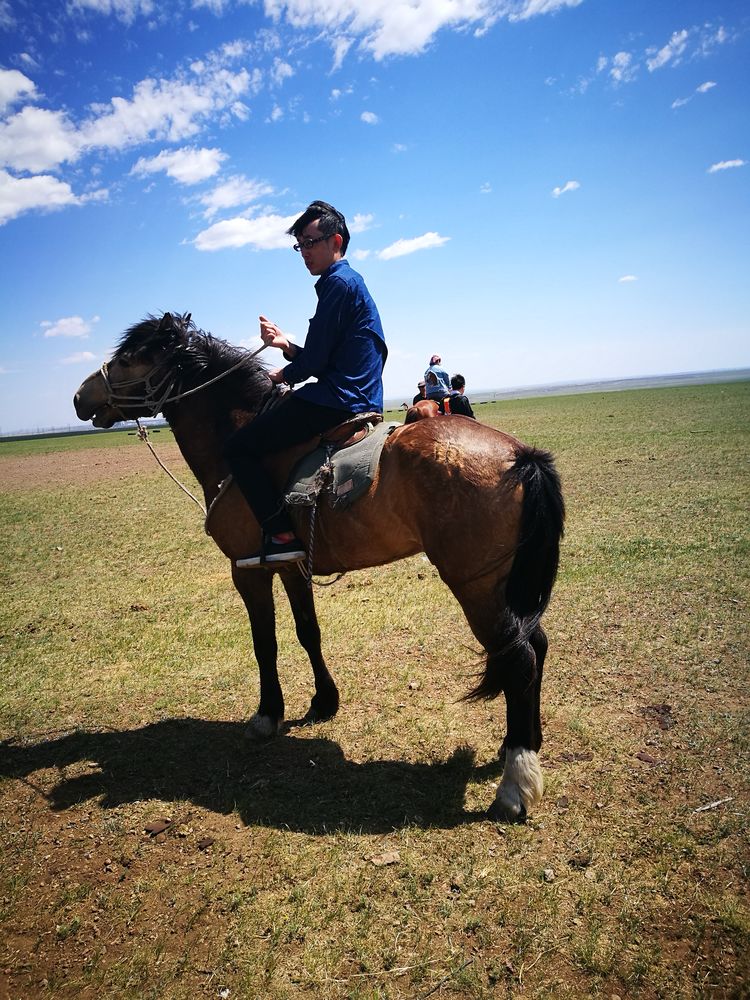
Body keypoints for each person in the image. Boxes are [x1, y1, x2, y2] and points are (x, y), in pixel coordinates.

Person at [224, 200, 387, 567]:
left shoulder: (339, 284)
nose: (305, 252)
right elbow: (322, 356)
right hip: (350, 392)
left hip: (338, 398)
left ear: (336, 241)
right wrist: (286, 346)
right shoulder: (345, 283)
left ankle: (280, 535)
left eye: (311, 242)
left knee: (238, 448)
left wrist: (278, 376)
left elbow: (315, 362)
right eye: (300, 245)